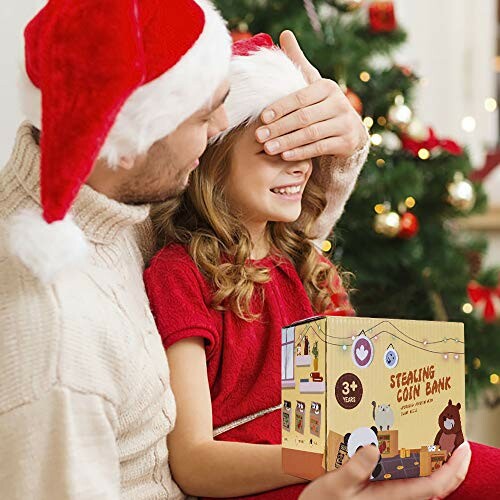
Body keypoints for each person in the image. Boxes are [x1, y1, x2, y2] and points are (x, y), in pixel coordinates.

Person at [0, 1, 374, 499]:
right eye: (203, 116)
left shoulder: (124, 202)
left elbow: (260, 240)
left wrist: (339, 143)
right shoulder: (58, 347)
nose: (223, 123)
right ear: (131, 139)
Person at [144, 34, 476, 500]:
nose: (300, 167)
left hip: (346, 460)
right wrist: (338, 457)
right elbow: (194, 461)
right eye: (274, 151)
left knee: (477, 467)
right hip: (267, 480)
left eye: (304, 149)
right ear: (213, 163)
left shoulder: (304, 261)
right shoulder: (178, 272)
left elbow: (363, 396)